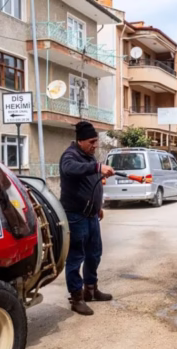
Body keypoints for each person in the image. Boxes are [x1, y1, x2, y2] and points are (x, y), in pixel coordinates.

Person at [59, 121, 115, 315]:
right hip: (75, 216)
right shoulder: (70, 156)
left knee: (94, 254)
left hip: (91, 215)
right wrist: (98, 168)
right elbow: (70, 170)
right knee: (76, 257)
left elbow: (93, 182)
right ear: (80, 140)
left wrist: (98, 206)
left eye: (96, 141)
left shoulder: (89, 157)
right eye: (91, 141)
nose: (95, 145)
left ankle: (91, 290)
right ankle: (76, 297)